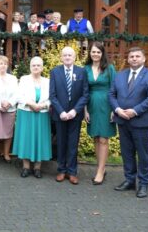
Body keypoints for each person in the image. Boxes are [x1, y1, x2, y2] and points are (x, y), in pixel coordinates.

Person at [109, 47, 148, 198]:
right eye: (131, 56)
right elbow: (111, 94)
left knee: (143, 154)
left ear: (144, 59)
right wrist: (118, 109)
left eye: (137, 56)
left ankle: (143, 184)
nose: (134, 58)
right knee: (127, 153)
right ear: (128, 59)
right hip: (123, 120)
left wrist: (135, 111)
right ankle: (130, 180)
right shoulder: (119, 76)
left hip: (142, 121)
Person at [49, 46, 89, 185]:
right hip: (60, 115)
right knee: (60, 143)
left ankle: (72, 172)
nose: (67, 57)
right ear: (61, 57)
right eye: (65, 55)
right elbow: (52, 95)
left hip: (75, 115)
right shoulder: (55, 72)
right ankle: (61, 170)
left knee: (73, 144)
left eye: (70, 55)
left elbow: (85, 95)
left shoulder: (81, 72)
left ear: (74, 57)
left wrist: (74, 111)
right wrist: (61, 112)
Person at [12, 56, 52, 178]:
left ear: (42, 67)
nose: (36, 67)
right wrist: (31, 104)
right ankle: (26, 166)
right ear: (30, 67)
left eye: (38, 65)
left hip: (42, 114)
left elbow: (52, 98)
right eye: (33, 65)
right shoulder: (24, 79)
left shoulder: (48, 81)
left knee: (40, 139)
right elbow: (18, 95)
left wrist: (44, 105)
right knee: (26, 138)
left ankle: (37, 168)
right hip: (26, 112)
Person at [84, 42, 117, 185]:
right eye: (93, 52)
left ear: (102, 53)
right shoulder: (85, 69)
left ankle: (100, 171)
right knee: (96, 138)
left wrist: (114, 109)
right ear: (89, 53)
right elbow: (83, 91)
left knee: (104, 139)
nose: (95, 54)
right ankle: (100, 168)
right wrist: (85, 110)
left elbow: (115, 89)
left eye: (98, 52)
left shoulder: (110, 69)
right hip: (91, 105)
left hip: (107, 106)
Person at [0, 56, 18, 163]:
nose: (3, 66)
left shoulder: (13, 78)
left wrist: (9, 102)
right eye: (1, 63)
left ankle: (6, 154)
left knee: (8, 132)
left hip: (10, 108)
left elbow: (17, 93)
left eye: (5, 64)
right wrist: (0, 103)